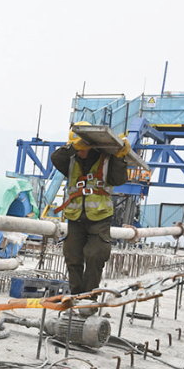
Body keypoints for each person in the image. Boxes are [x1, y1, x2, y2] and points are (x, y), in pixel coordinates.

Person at [50, 126, 129, 300]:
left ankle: (89, 297)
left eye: (84, 148)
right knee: (72, 257)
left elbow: (120, 179)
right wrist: (75, 146)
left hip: (99, 216)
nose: (82, 153)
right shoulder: (70, 159)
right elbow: (56, 157)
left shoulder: (107, 160)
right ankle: (76, 296)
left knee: (95, 255)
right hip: (75, 216)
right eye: (79, 149)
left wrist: (120, 158)